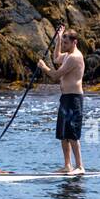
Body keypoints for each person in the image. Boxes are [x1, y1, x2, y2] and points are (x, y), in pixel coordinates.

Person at [37, 25, 85, 174]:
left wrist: (44, 67)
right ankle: (67, 166)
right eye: (63, 43)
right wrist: (58, 38)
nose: (64, 46)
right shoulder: (67, 55)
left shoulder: (75, 57)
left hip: (74, 99)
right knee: (63, 135)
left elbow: (55, 75)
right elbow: (56, 58)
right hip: (65, 98)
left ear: (74, 42)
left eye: (66, 43)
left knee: (72, 134)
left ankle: (80, 167)